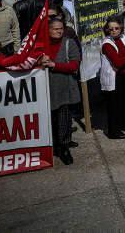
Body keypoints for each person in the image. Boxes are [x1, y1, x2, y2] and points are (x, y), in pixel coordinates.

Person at [40, 17, 81, 165]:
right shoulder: (41, 45)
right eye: (55, 29)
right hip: (46, 89)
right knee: (50, 119)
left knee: (63, 119)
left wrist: (54, 65)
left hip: (64, 89)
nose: (59, 31)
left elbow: (74, 65)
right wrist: (39, 62)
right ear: (48, 30)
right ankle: (54, 145)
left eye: (61, 29)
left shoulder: (69, 43)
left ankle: (64, 148)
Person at [99, 18, 125, 139]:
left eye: (117, 28)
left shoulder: (122, 37)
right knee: (114, 105)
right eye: (111, 29)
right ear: (107, 30)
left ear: (121, 28)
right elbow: (118, 62)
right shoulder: (107, 44)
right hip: (113, 77)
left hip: (123, 74)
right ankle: (113, 131)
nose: (114, 31)